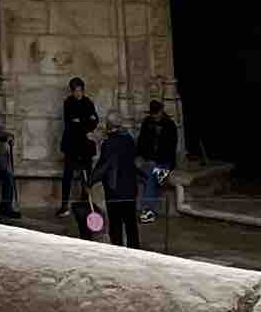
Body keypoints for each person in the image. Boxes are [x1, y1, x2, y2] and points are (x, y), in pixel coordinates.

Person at [138, 92, 178, 242]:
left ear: (161, 112)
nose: (155, 117)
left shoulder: (169, 126)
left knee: (151, 176)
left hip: (164, 162)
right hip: (149, 161)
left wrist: (156, 161)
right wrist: (142, 157)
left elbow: (170, 149)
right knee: (151, 172)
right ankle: (148, 210)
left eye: (157, 115)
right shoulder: (147, 123)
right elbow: (142, 143)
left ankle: (148, 210)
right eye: (153, 115)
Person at [99, 111, 141, 248]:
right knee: (131, 225)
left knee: (116, 225)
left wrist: (90, 181)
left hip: (114, 191)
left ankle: (118, 253)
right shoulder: (129, 140)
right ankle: (135, 251)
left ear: (108, 126)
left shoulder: (108, 144)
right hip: (129, 190)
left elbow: (104, 166)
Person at [58, 75, 97, 214]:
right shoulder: (68, 103)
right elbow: (71, 122)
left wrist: (81, 122)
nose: (77, 93)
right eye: (75, 91)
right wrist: (85, 124)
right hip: (72, 144)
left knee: (86, 174)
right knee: (67, 175)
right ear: (72, 91)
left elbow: (95, 120)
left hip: (86, 145)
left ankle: (85, 202)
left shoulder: (88, 102)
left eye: (80, 90)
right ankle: (64, 205)